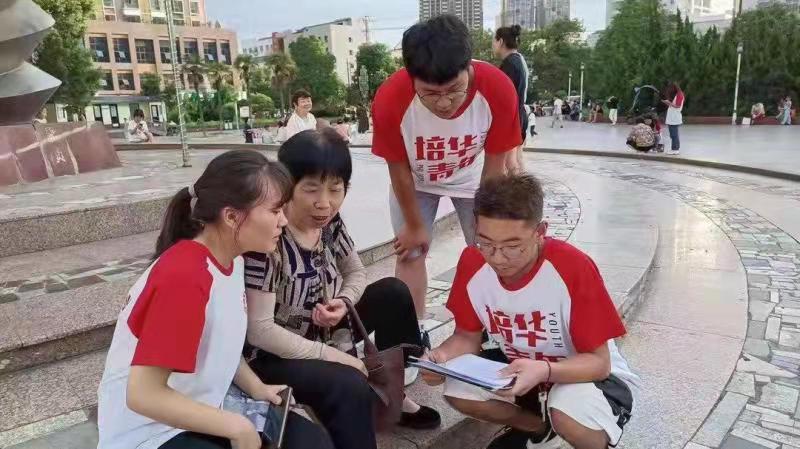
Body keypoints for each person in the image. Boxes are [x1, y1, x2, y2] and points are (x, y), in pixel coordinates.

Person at [96, 150, 334, 449]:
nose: (284, 221)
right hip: (149, 432)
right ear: (232, 217)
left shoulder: (232, 260)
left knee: (312, 441)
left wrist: (256, 388)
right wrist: (236, 427)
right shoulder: (185, 276)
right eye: (275, 211)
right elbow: (143, 394)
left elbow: (220, 343)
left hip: (200, 407)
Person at [244, 129, 442, 449]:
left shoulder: (330, 224)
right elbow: (260, 331)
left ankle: (393, 396)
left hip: (328, 329)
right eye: (311, 189)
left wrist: (344, 301)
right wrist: (332, 356)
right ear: (284, 186)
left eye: (336, 189)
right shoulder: (269, 238)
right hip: (275, 354)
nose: (325, 203)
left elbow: (355, 271)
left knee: (393, 293)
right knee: (347, 381)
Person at [420, 174, 639, 449]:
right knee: (458, 388)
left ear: (540, 231)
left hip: (587, 377)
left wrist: (545, 370)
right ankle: (540, 430)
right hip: (523, 370)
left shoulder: (572, 267)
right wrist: (441, 357)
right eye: (486, 243)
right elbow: (466, 336)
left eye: (513, 246)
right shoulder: (473, 263)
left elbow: (599, 363)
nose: (497, 257)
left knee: (570, 411)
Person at [371, 15, 520, 332]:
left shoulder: (497, 88)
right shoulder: (390, 98)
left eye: (454, 90)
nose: (444, 103)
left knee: (490, 250)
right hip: (416, 182)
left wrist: (486, 220)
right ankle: (409, 335)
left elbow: (495, 167)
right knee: (410, 252)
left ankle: (490, 331)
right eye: (430, 93)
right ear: (411, 78)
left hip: (474, 180)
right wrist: (414, 226)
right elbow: (397, 169)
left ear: (469, 67)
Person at [493, 24, 531, 174]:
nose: (493, 44)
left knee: (509, 162)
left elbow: (504, 96)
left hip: (512, 118)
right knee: (517, 159)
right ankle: (524, 186)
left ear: (501, 41)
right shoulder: (519, 59)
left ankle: (516, 187)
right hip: (520, 114)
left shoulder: (509, 64)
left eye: (494, 40)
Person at [662, 81, 685, 155]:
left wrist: (669, 103)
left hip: (675, 118)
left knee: (674, 134)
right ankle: (674, 149)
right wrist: (667, 102)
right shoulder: (676, 95)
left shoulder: (679, 94)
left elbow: (678, 106)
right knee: (672, 134)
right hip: (672, 117)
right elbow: (674, 105)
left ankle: (675, 149)